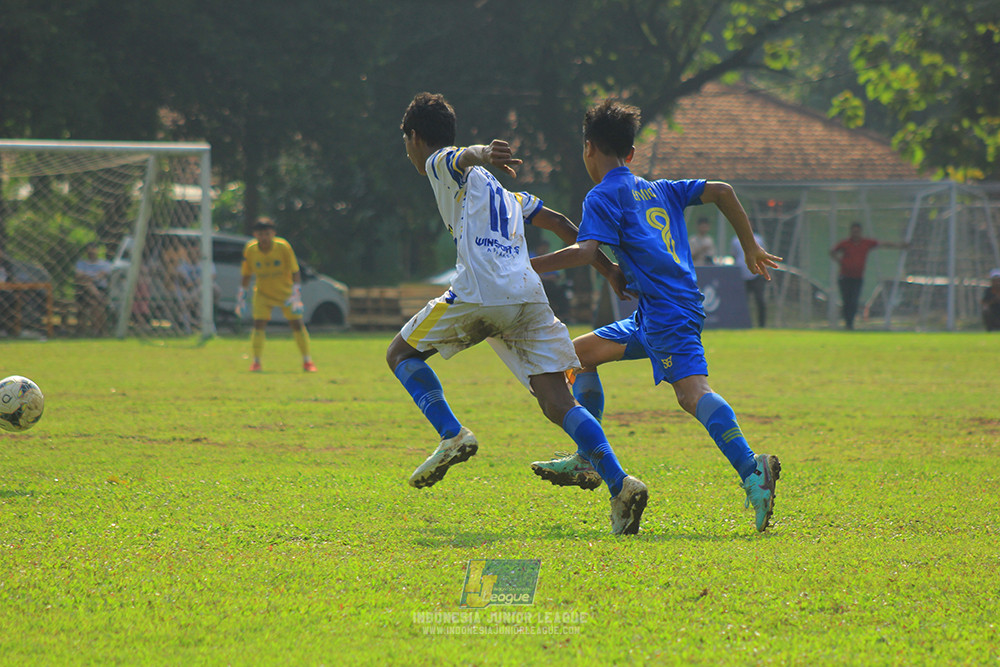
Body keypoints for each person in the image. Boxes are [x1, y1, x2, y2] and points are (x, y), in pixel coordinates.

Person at [387, 92, 648, 535]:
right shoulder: (509, 196)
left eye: (407, 142)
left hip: (478, 293)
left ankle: (451, 434)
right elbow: (566, 224)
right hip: (528, 296)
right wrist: (609, 271)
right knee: (557, 402)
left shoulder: (438, 162)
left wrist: (483, 153)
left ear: (414, 137)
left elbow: (457, 157)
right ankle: (620, 483)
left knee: (401, 355)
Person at [530, 99, 784, 532]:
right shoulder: (661, 188)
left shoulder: (602, 194)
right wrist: (749, 246)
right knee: (576, 357)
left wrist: (525, 267)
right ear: (630, 154)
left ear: (589, 148)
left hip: (667, 313)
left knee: (691, 394)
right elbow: (722, 190)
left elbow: (585, 251)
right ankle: (588, 458)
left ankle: (751, 468)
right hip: (655, 311)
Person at [236, 217, 317, 372]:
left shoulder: (283, 246)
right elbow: (246, 273)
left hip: (285, 293)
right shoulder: (251, 249)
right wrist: (241, 295)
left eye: (267, 234)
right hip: (263, 293)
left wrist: (296, 294)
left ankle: (307, 361)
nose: (264, 238)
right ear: (255, 235)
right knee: (258, 324)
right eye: (260, 234)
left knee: (296, 324)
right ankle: (256, 361)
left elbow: (295, 270)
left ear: (273, 233)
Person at [830, 221, 909, 330]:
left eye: (857, 231)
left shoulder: (866, 243)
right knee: (846, 301)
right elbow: (832, 251)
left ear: (860, 232)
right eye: (854, 231)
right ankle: (847, 322)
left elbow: (883, 244)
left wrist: (899, 245)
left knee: (854, 300)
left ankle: (850, 323)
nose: (855, 233)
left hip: (857, 278)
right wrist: (841, 262)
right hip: (845, 277)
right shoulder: (845, 243)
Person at [730, 230, 768, 327]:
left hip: (757, 274)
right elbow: (733, 255)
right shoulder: (735, 240)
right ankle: (743, 324)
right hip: (742, 274)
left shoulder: (758, 239)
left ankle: (762, 325)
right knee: (742, 302)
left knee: (760, 300)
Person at [74, 242, 112, 335]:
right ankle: (100, 298)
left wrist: (88, 276)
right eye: (89, 250)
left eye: (93, 249)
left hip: (100, 288)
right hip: (84, 291)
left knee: (95, 305)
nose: (91, 252)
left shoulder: (105, 263)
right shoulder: (81, 263)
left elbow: (103, 275)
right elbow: (78, 276)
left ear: (97, 250)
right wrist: (93, 277)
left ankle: (97, 330)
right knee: (87, 284)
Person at [531, 238, 570, 320]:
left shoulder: (548, 258)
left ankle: (563, 315)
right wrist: (547, 277)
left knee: (562, 291)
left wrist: (556, 277)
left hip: (550, 285)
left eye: (546, 247)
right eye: (543, 247)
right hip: (536, 285)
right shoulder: (531, 257)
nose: (545, 249)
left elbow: (557, 275)